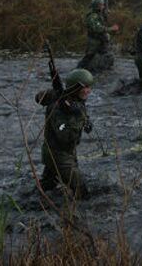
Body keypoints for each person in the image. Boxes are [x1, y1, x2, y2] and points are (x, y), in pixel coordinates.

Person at [36, 69, 95, 200]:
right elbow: (66, 137)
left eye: (89, 87)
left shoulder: (75, 101)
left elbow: (82, 116)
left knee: (46, 188)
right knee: (82, 192)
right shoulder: (59, 107)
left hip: (64, 152)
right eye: (83, 88)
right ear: (74, 88)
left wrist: (85, 120)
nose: (87, 91)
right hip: (57, 155)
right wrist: (78, 117)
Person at [77, 0, 119, 73]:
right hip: (94, 42)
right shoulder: (92, 17)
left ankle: (101, 70)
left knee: (106, 56)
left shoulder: (99, 15)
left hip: (101, 41)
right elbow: (97, 28)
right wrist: (111, 29)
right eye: (102, 5)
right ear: (98, 6)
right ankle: (79, 71)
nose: (103, 7)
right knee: (89, 57)